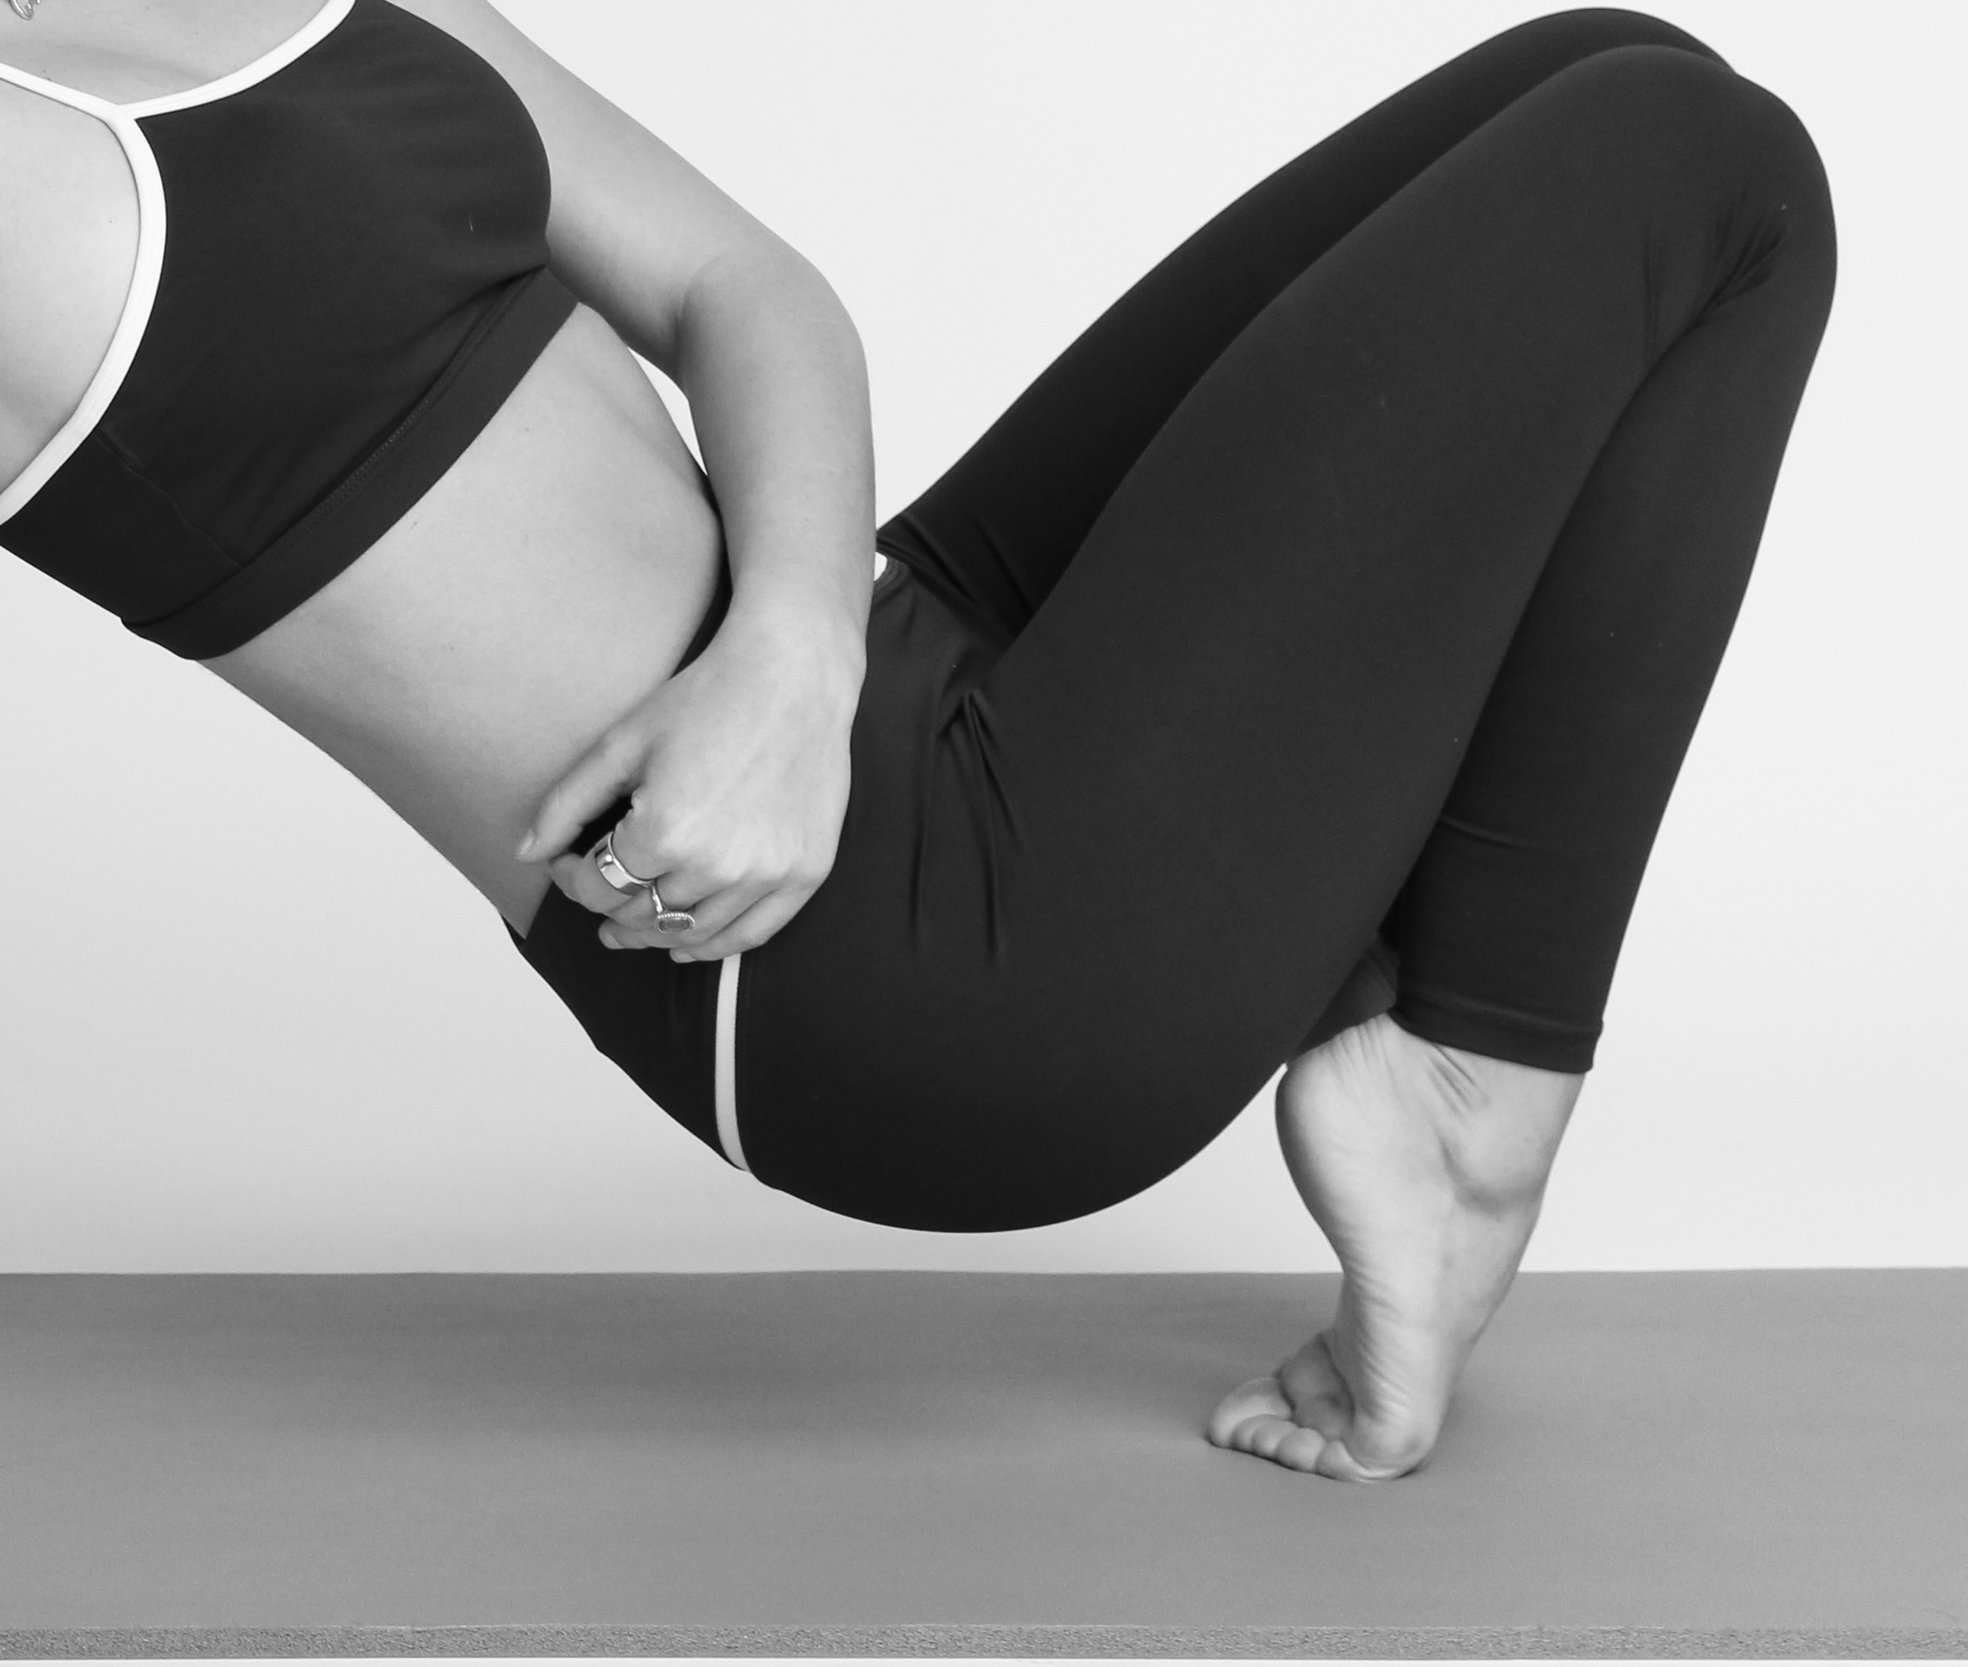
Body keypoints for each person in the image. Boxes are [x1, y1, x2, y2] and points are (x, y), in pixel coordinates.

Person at [0, 0, 1834, 1482]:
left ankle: (1453, 1086)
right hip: (865, 963)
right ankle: (1471, 1095)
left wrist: (794, 652)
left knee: (1609, 68)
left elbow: (746, 285)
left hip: (879, 657)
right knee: (1704, 171)